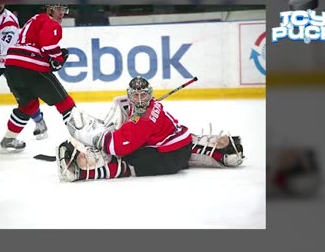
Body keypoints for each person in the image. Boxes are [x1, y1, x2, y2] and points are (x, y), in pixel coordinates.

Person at [59, 76, 245, 182]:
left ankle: (81, 170)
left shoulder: (144, 119)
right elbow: (132, 117)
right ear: (130, 95)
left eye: (143, 95)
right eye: (136, 95)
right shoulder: (151, 106)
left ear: (150, 94)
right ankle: (221, 150)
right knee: (173, 139)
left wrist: (95, 136)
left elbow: (119, 146)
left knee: (129, 159)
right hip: (182, 142)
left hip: (167, 158)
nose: (140, 99)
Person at [0, 4, 79, 153]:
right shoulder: (50, 22)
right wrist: (59, 58)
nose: (62, 13)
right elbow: (48, 46)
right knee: (64, 102)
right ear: (49, 9)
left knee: (28, 106)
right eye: (59, 9)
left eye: (64, 10)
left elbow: (39, 44)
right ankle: (83, 138)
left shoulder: (33, 20)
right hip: (32, 68)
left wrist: (53, 58)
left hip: (12, 67)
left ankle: (8, 139)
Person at [0, 4, 48, 143]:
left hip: (10, 60)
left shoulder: (9, 21)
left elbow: (5, 49)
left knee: (23, 96)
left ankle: (40, 122)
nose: (0, 4)